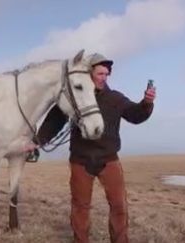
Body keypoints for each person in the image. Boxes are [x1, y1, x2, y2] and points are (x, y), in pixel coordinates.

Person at [27, 53, 156, 243]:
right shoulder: (74, 97)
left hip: (108, 160)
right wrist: (37, 141)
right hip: (81, 160)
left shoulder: (115, 98)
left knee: (119, 206)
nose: (104, 77)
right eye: (100, 73)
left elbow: (136, 115)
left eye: (106, 74)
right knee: (80, 207)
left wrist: (147, 103)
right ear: (89, 74)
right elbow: (54, 121)